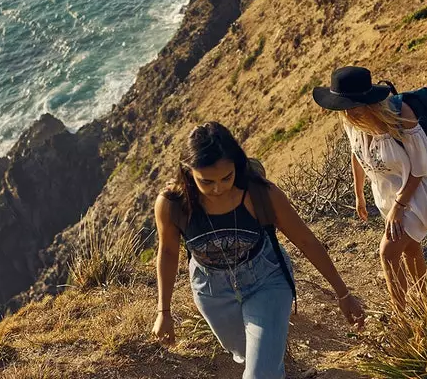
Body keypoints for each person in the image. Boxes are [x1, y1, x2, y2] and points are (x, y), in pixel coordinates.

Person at [152, 122, 365, 379]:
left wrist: (343, 293)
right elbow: (167, 253)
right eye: (206, 181)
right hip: (212, 291)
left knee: (259, 373)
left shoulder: (260, 194)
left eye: (226, 178)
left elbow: (306, 241)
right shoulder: (173, 204)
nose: (218, 188)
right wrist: (164, 311)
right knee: (245, 355)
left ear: (236, 166)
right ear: (189, 171)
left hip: (266, 278)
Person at [312, 66, 427, 309]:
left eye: (352, 107)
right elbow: (357, 154)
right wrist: (359, 195)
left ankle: (401, 316)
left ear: (368, 102)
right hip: (389, 196)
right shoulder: (351, 120)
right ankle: (426, 303)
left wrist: (399, 206)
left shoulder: (401, 118)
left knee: (388, 252)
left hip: (420, 194)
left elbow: (422, 166)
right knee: (410, 248)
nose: (347, 113)